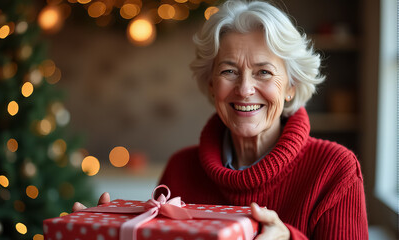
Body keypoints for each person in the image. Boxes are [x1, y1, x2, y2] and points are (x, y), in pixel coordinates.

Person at [73, 0, 369, 239]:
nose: (244, 89)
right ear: (212, 84)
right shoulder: (180, 170)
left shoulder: (335, 170)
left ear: (291, 86)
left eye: (263, 72)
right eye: (229, 70)